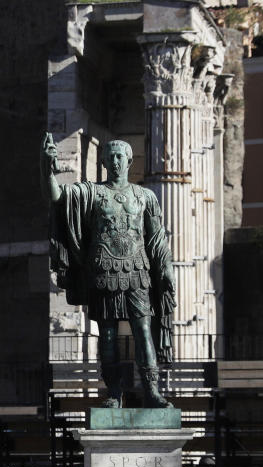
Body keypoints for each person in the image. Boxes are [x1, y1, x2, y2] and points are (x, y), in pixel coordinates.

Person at [41, 132, 175, 408]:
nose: (115, 161)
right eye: (110, 157)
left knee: (143, 330)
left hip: (138, 271)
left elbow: (156, 237)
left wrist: (166, 267)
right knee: (109, 335)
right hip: (104, 272)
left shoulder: (145, 196)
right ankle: (114, 393)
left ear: (128, 161)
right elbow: (56, 198)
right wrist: (47, 167)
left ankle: (151, 390)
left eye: (120, 157)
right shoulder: (91, 192)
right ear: (103, 162)